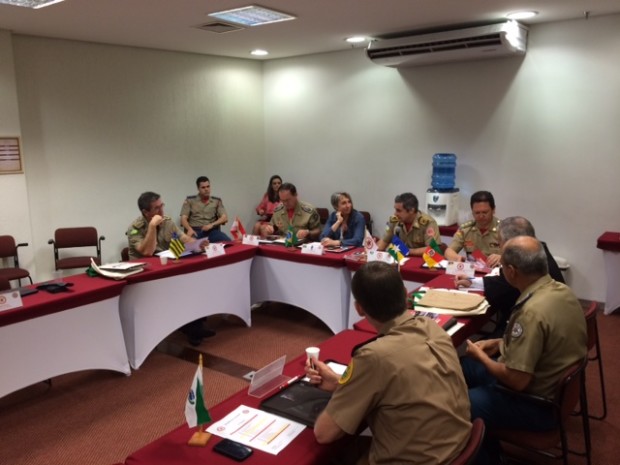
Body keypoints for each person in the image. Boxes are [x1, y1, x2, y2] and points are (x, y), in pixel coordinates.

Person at [306, 261, 472, 465]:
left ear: (359, 309)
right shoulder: (433, 327)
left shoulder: (374, 356)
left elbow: (324, 433)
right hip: (458, 448)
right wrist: (340, 383)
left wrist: (345, 388)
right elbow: (403, 379)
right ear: (405, 294)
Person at [461, 236, 587, 465]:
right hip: (553, 388)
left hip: (536, 404)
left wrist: (481, 356)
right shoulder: (562, 291)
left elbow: (517, 381)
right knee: (466, 367)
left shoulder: (531, 311)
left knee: (458, 404)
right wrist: (498, 343)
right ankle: (489, 444)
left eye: (502, 267)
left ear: (511, 271)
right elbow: (543, 340)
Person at [127, 191, 214, 345]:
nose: (161, 211)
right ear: (146, 212)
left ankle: (195, 326)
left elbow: (183, 238)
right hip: (144, 277)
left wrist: (198, 243)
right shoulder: (135, 228)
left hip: (165, 270)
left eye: (162, 206)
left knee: (193, 283)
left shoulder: (167, 222)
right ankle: (192, 329)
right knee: (179, 291)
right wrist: (152, 226)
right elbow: (147, 252)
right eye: (156, 208)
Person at [455, 216, 565, 336]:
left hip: (530, 330)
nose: (499, 248)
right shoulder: (537, 252)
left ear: (513, 243)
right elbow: (504, 282)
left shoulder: (525, 264)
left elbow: (506, 287)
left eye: (500, 243)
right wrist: (473, 282)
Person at [445, 190, 501, 267]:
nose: (481, 216)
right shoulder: (465, 229)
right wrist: (457, 258)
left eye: (485, 212)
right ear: (472, 212)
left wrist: (502, 258)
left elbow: (515, 255)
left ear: (493, 210)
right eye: (477, 213)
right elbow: (448, 251)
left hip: (496, 271)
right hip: (472, 271)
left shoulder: (504, 229)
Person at [377, 192, 441, 256]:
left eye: (399, 211)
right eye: (395, 210)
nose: (395, 214)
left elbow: (432, 249)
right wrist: (373, 249)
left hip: (421, 260)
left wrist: (407, 251)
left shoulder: (428, 223)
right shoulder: (394, 220)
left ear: (411, 210)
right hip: (400, 259)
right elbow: (384, 242)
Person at [180, 176, 230, 242]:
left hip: (212, 231)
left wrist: (212, 225)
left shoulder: (216, 201)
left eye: (208, 186)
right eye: (203, 187)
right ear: (198, 188)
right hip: (196, 231)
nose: (206, 189)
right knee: (193, 245)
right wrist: (189, 229)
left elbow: (224, 217)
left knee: (227, 241)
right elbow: (183, 219)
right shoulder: (190, 201)